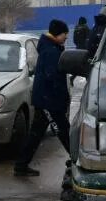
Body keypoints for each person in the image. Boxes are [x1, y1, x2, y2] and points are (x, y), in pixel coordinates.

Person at [14, 19, 72, 177]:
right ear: (58, 34)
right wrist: (60, 100)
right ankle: (77, 160)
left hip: (47, 99)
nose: (66, 38)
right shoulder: (51, 51)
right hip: (49, 101)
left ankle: (21, 165)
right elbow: (53, 77)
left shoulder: (51, 47)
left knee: (39, 133)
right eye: (65, 35)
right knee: (62, 131)